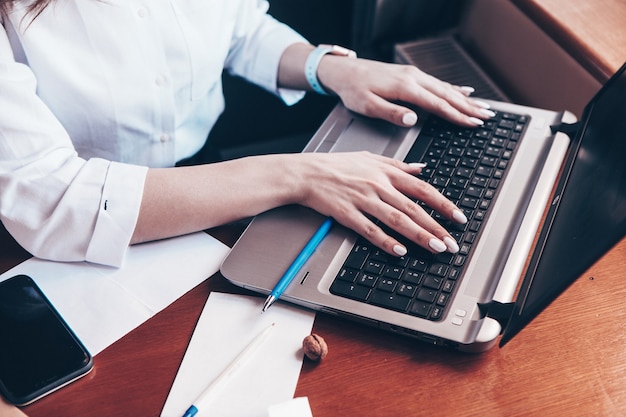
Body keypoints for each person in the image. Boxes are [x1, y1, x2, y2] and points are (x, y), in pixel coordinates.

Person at [0, 0, 495, 267]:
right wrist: (296, 176)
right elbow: (53, 197)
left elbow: (241, 30)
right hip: (49, 246)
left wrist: (330, 68)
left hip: (206, 176)